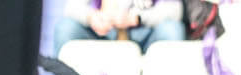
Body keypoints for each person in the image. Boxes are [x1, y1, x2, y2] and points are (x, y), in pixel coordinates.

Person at [53, 0, 185, 56]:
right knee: (66, 28)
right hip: (102, 31)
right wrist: (91, 17)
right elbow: (71, 7)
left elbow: (175, 10)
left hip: (143, 32)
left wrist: (137, 18)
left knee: (172, 30)